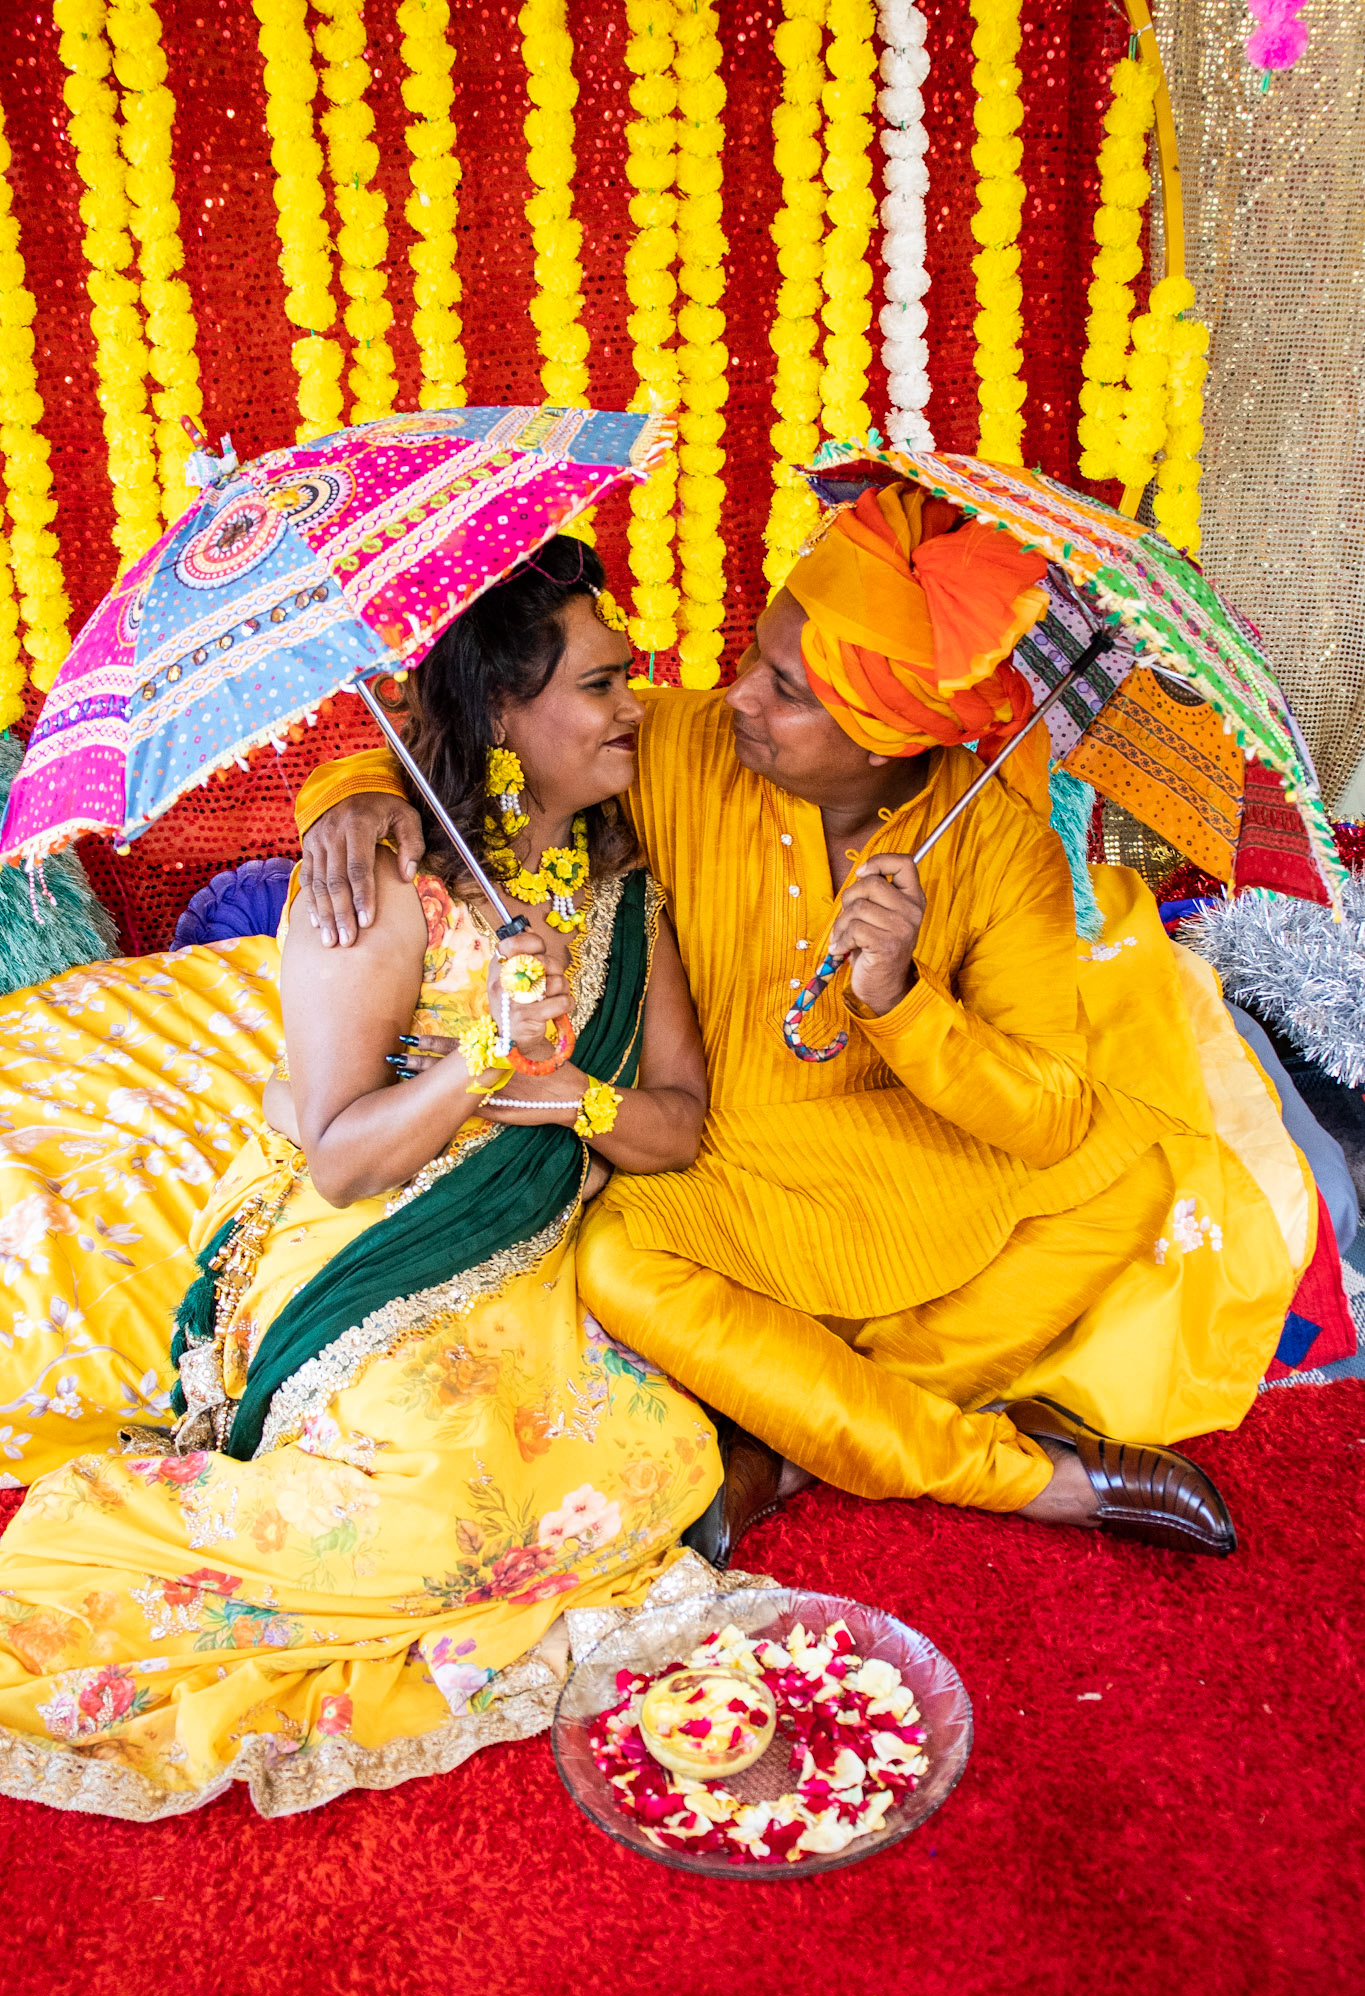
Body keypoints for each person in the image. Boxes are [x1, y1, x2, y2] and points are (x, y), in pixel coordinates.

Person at [295, 478, 1326, 1561]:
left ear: (883, 738)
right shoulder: (681, 744)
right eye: (754, 659)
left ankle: (789, 1441)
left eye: (784, 689)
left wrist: (901, 1000)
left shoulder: (996, 843)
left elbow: (1046, 1120)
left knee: (1126, 1180)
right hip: (718, 1161)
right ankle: (1020, 1476)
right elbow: (494, 746)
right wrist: (352, 796)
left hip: (899, 1162)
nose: (737, 694)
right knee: (620, 1264)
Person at [0, 538, 720, 1820]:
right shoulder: (383, 881)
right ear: (502, 714)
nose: (634, 708)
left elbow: (676, 1123)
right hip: (371, 1235)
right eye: (602, 685)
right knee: (429, 1508)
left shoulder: (624, 899)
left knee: (655, 1455)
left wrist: (566, 1091)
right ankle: (122, 1541)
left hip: (527, 1246)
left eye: (627, 677)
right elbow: (337, 1155)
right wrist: (484, 1055)